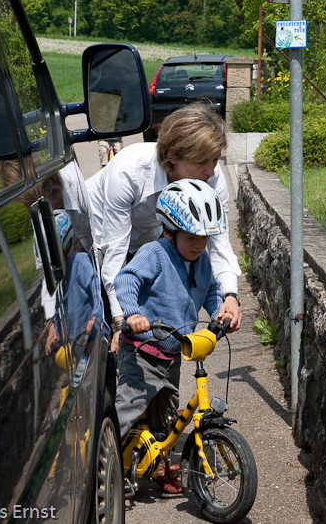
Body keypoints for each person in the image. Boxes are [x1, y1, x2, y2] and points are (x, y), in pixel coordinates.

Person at [85, 102, 242, 353]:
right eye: (202, 161)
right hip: (98, 231)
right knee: (107, 327)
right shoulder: (130, 171)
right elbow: (114, 253)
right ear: (171, 155)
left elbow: (219, 242)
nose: (211, 171)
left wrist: (230, 296)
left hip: (148, 237)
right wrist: (118, 322)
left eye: (215, 160)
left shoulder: (212, 177)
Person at [113, 179, 226, 494]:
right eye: (191, 237)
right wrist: (133, 313)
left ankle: (158, 466)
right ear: (170, 231)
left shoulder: (200, 261)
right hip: (141, 352)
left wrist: (221, 312)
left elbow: (211, 291)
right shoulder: (155, 253)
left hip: (172, 355)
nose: (198, 244)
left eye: (204, 238)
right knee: (130, 409)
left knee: (166, 418)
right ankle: (106, 468)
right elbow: (127, 278)